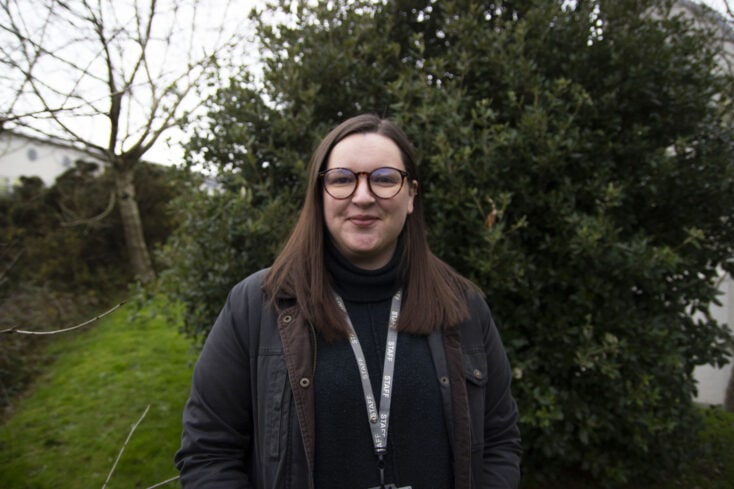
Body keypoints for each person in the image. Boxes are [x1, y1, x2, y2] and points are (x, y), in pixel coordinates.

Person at [174, 114, 522, 489]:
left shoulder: (463, 306)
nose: (362, 196)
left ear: (411, 196)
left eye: (384, 179)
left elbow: (500, 440)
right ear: (319, 194)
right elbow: (208, 453)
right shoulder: (256, 306)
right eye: (342, 179)